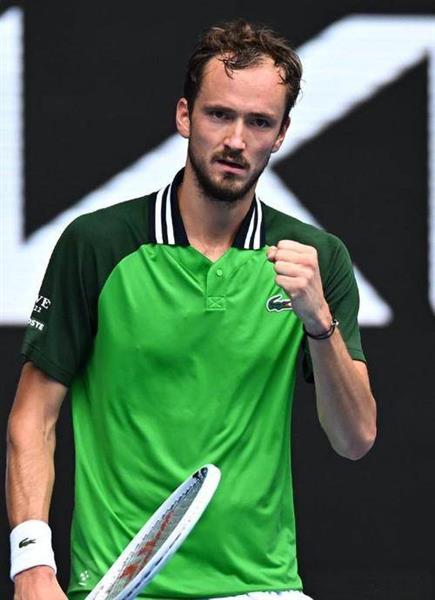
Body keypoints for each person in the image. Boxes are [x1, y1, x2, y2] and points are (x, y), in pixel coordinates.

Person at [6, 19, 377, 600]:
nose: (236, 141)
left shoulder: (316, 259)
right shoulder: (98, 245)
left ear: (281, 134)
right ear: (185, 116)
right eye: (219, 115)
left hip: (262, 587)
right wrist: (31, 563)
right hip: (115, 585)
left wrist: (318, 322)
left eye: (259, 122)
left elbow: (355, 438)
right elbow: (33, 417)